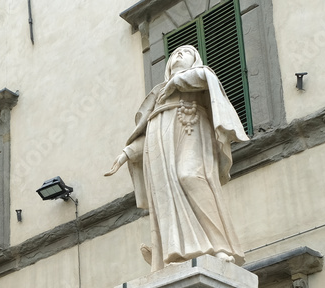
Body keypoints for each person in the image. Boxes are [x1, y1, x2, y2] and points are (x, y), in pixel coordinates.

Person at [105, 45, 249, 271]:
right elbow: (149, 131)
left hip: (190, 130)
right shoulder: (158, 96)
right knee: (165, 197)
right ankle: (170, 250)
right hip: (160, 151)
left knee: (190, 175)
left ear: (195, 59)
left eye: (186, 52)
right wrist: (127, 153)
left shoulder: (198, 77)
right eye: (173, 55)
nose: (178, 55)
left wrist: (176, 82)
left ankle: (220, 244)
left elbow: (205, 77)